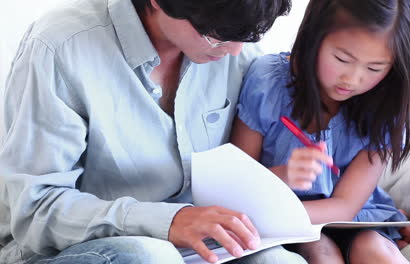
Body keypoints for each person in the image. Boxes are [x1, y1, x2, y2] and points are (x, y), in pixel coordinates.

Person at [0, 0, 310, 263]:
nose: (234, 50)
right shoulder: (62, 46)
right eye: (217, 36)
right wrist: (168, 221)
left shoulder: (235, 50)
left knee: (279, 260)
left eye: (247, 36)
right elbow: (36, 210)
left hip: (195, 248)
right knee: (150, 255)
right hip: (73, 249)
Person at [230, 0, 410, 263]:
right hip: (281, 222)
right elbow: (236, 183)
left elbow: (345, 206)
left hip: (349, 217)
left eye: (374, 68)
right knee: (320, 251)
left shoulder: (383, 108)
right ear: (314, 37)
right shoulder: (268, 83)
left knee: (375, 250)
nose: (352, 79)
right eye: (342, 59)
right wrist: (283, 175)